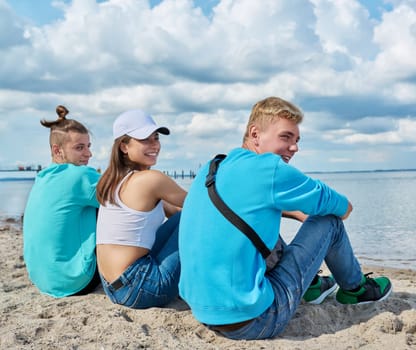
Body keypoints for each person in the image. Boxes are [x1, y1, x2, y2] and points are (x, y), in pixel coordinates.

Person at [178, 96, 392, 340]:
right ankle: (355, 289)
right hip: (254, 320)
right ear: (255, 133)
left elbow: (250, 208)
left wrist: (294, 212)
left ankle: (310, 285)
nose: (295, 147)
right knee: (328, 221)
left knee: (260, 219)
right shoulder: (270, 168)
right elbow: (344, 208)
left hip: (204, 311)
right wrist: (313, 217)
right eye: (286, 137)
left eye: (297, 140)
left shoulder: (212, 167)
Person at [95, 109, 187, 309]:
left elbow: (171, 211)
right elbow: (204, 206)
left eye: (156, 137)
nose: (154, 144)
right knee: (194, 218)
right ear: (124, 146)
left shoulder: (111, 180)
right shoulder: (151, 180)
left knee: (184, 219)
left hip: (112, 287)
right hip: (141, 289)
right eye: (144, 139)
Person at [23, 105, 101, 298]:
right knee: (116, 206)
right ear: (57, 151)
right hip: (75, 280)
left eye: (88, 146)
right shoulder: (81, 175)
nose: (88, 154)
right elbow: (130, 197)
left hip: (43, 281)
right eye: (79, 148)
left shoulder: (43, 177)